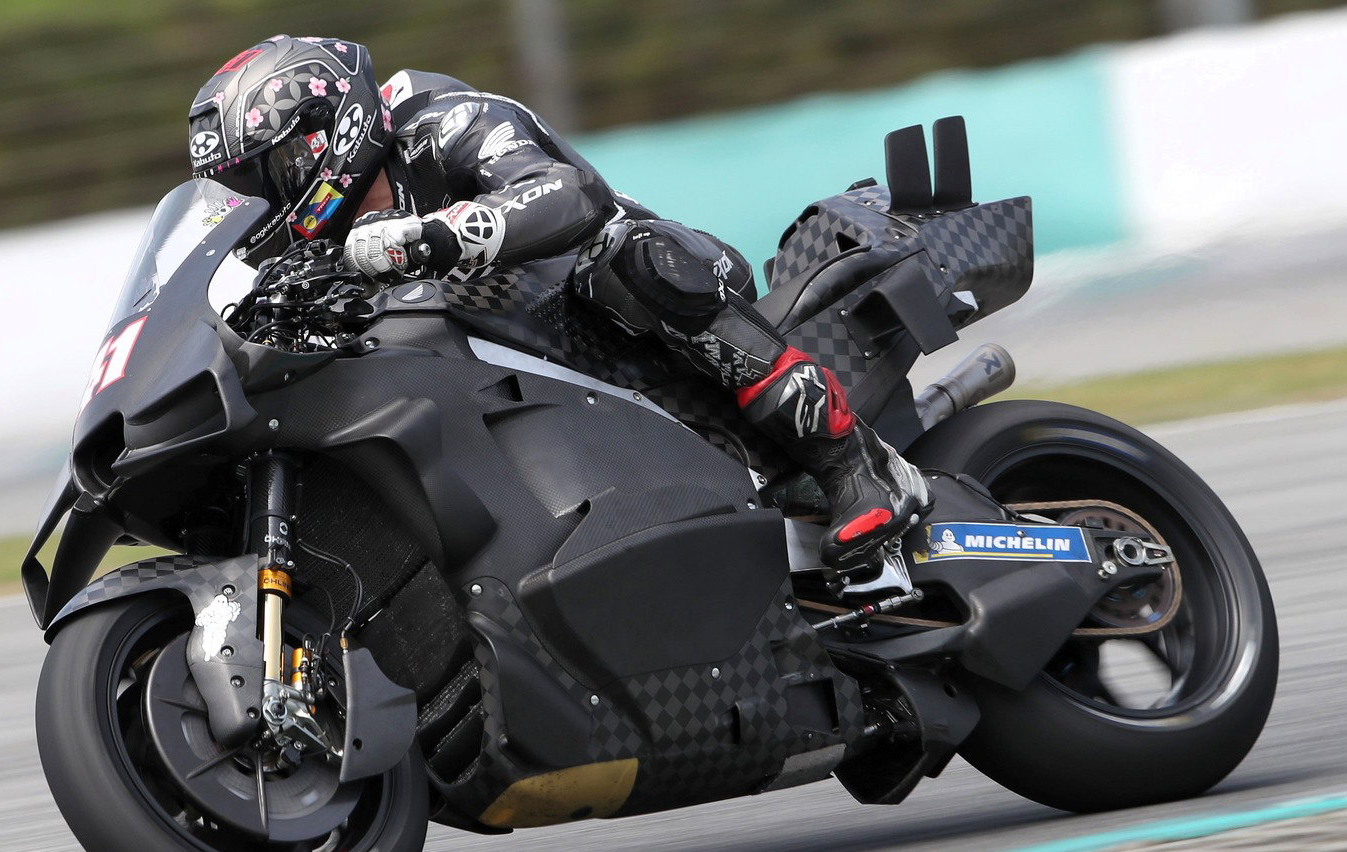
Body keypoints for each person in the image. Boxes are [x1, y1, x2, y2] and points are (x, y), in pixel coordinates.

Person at [186, 36, 929, 570]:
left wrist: (432, 239)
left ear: (329, 131)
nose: (268, 196)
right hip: (513, 387)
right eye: (247, 185)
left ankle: (853, 464)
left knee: (632, 264)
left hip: (623, 298)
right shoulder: (305, 246)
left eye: (272, 169)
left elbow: (571, 196)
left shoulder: (439, 118)